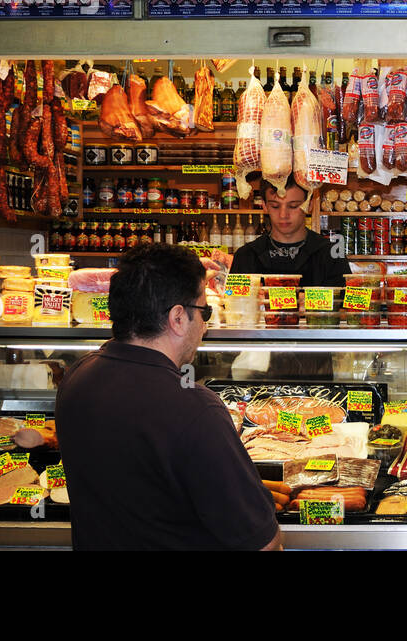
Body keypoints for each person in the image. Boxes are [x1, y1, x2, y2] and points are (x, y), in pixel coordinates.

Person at [55, 243, 281, 551]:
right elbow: (263, 545)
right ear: (177, 318)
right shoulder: (194, 408)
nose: (204, 326)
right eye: (205, 312)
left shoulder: (76, 379)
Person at [230, 177, 350, 287]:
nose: (283, 215)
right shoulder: (246, 256)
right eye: (275, 206)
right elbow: (232, 301)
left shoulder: (332, 254)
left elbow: (345, 306)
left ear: (309, 205)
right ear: (264, 206)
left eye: (293, 206)